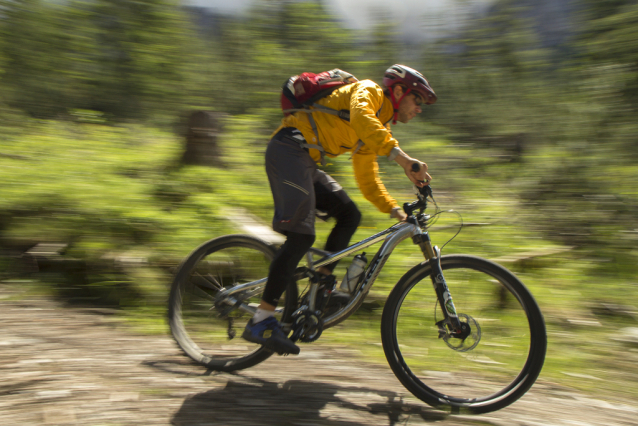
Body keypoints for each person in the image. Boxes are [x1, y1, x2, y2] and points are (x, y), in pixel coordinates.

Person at [242, 64, 437, 355]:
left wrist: (395, 209)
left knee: (350, 215)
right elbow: (362, 117)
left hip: (305, 160)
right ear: (398, 91)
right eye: (417, 100)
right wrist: (404, 159)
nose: (418, 109)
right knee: (301, 236)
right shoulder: (368, 92)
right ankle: (261, 319)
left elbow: (367, 178)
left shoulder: (376, 128)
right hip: (287, 151)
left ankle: (320, 288)